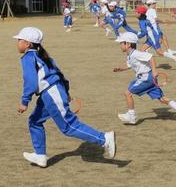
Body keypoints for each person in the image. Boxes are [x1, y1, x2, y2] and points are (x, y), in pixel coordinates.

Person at [13, 27, 116, 167]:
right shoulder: (44, 56)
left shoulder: (28, 57)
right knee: (35, 121)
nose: (17, 42)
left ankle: (104, 139)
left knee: (68, 126)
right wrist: (65, 91)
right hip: (51, 93)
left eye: (19, 40)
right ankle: (40, 155)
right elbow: (60, 74)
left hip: (51, 93)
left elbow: (30, 81)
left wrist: (25, 101)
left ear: (28, 44)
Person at [113, 32, 176, 125]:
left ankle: (131, 117)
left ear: (128, 44)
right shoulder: (130, 55)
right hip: (148, 79)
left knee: (127, 93)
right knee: (162, 99)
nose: (120, 45)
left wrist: (154, 71)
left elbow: (151, 58)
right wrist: (120, 69)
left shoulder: (136, 53)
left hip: (145, 78)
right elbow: (129, 65)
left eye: (121, 43)